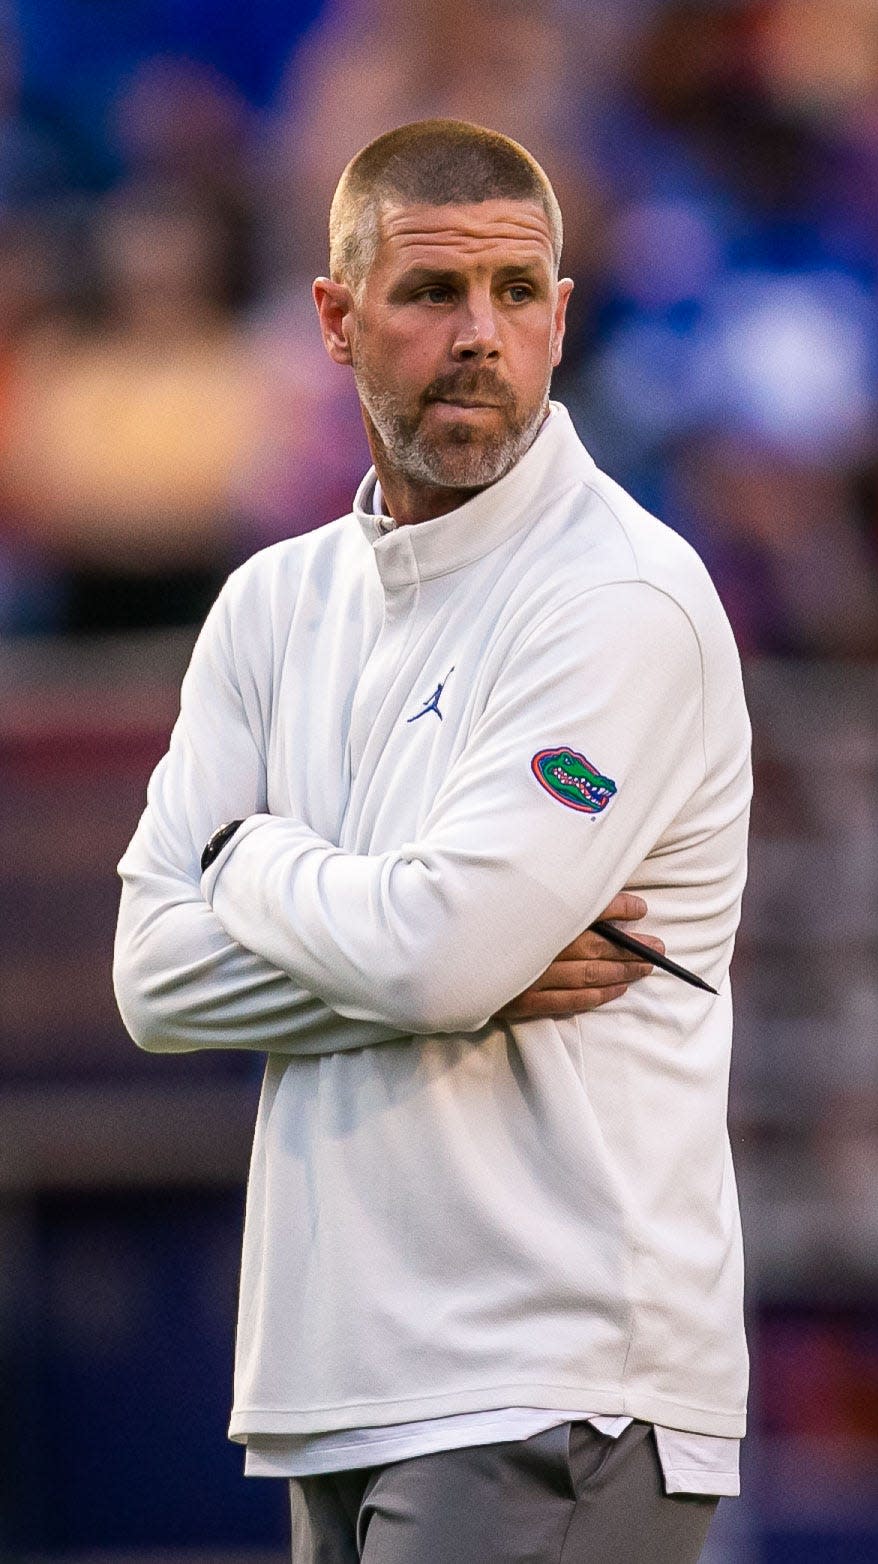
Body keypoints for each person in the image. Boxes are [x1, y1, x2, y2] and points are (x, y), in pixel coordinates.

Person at [113, 120, 752, 1564]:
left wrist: (249, 860)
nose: (480, 336)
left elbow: (438, 954)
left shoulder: (619, 598)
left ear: (563, 317)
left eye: (517, 294)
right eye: (430, 294)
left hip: (553, 1380)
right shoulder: (271, 606)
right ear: (335, 317)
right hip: (331, 1380)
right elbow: (152, 981)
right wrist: (414, 946)